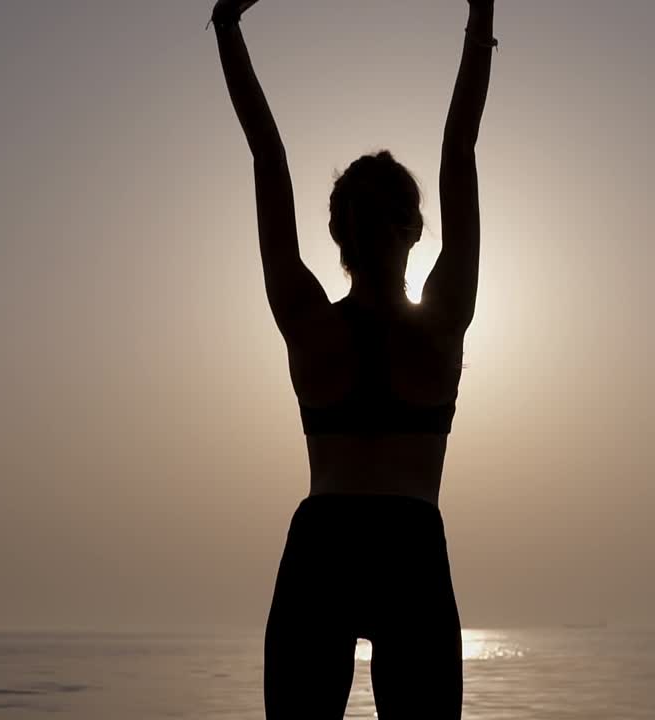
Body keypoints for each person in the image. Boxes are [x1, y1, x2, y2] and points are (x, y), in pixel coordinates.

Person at [211, 0, 496, 717]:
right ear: (413, 229)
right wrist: (480, 8)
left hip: (325, 549)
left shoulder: (310, 325)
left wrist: (227, 25)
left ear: (337, 233)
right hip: (408, 550)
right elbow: (459, 147)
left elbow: (267, 156)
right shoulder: (442, 325)